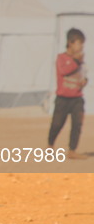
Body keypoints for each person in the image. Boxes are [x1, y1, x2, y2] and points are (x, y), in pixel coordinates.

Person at [47, 28, 88, 160]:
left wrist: (84, 81)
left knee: (77, 123)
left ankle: (72, 150)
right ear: (70, 43)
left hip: (77, 98)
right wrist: (76, 61)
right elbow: (64, 71)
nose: (81, 46)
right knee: (58, 123)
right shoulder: (61, 58)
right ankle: (50, 145)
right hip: (63, 98)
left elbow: (83, 74)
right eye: (79, 43)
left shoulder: (81, 62)